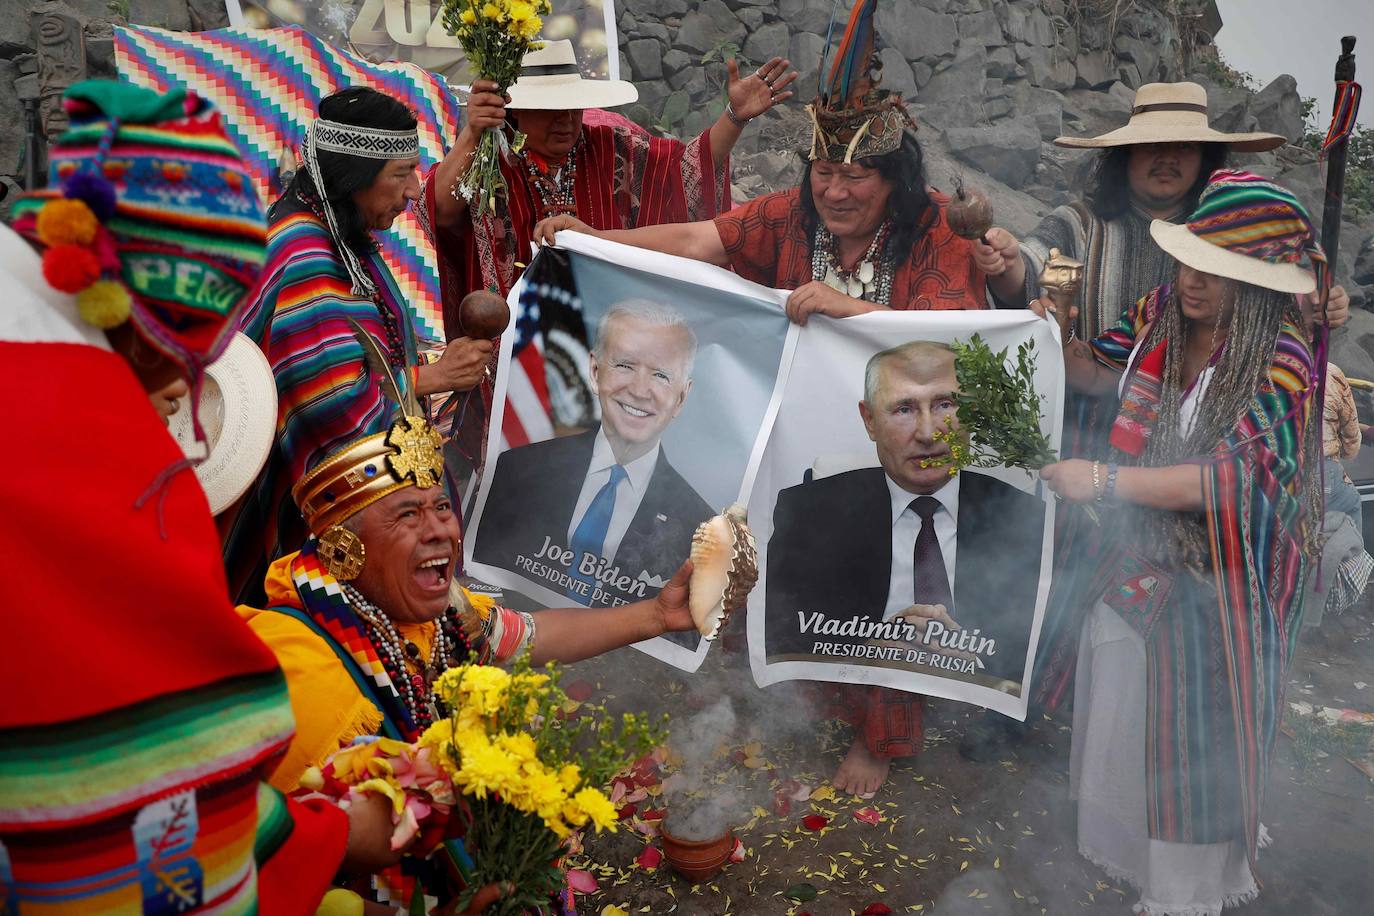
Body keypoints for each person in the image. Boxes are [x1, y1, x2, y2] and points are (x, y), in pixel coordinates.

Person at [0, 80, 403, 914]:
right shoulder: (103, 466)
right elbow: (153, 796)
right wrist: (348, 832)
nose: (184, 403)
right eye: (190, 362)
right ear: (155, 321)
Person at [1036, 170, 1326, 916]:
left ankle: (1184, 888)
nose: (1191, 280)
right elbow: (1094, 373)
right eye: (1188, 258)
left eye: (1215, 271)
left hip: (1224, 575)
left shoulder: (1284, 360)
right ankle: (1121, 843)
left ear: (1259, 284)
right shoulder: (1161, 309)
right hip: (1137, 550)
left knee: (1194, 727)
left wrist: (1099, 481)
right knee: (1126, 696)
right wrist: (1051, 328)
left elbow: (1221, 484)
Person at [530, 5, 987, 324]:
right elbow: (694, 240)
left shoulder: (939, 223)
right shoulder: (790, 214)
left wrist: (850, 309)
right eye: (823, 174)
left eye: (854, 176)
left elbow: (953, 336)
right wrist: (595, 239)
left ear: (894, 181)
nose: (834, 192)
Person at [225, 86, 493, 603]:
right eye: (401, 174)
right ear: (353, 176)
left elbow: (369, 352)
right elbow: (329, 401)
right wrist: (433, 378)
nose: (416, 190)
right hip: (312, 511)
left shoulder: (342, 239)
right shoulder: (303, 251)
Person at [765, 342, 1045, 796]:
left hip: (974, 692)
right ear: (869, 420)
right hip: (863, 679)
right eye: (903, 409)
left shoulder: (1022, 516)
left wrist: (974, 651)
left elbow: (1033, 635)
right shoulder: (810, 509)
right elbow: (782, 631)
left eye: (946, 404)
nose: (929, 432)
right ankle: (880, 729)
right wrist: (870, 644)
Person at [473, 299, 712, 609]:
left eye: (661, 376)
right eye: (625, 365)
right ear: (595, 371)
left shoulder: (700, 529)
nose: (640, 390)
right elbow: (481, 583)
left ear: (682, 397)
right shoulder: (517, 471)